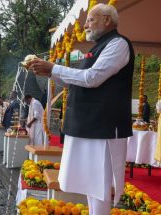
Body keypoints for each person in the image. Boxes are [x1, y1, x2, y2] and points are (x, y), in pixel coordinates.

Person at [28, 4, 134, 214]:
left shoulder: (118, 44)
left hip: (103, 126)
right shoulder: (96, 48)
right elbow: (77, 81)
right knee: (89, 184)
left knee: (100, 185)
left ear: (106, 20)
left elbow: (92, 78)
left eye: (90, 20)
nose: (85, 25)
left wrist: (53, 68)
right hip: (86, 125)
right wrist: (51, 72)